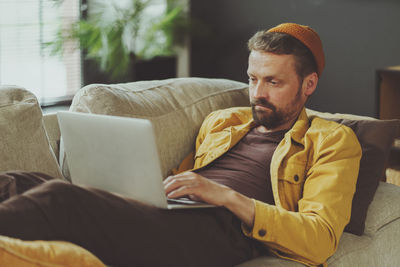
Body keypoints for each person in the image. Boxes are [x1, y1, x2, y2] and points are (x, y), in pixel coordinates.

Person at [0, 23, 361, 267]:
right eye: (252, 79)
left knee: (58, 200)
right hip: (174, 213)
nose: (257, 93)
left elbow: (320, 238)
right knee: (20, 180)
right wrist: (135, 191)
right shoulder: (224, 121)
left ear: (309, 84)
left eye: (273, 82)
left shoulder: (331, 140)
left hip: (220, 230)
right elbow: (183, 179)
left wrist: (225, 196)